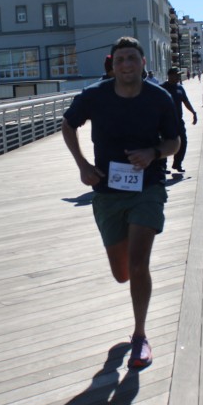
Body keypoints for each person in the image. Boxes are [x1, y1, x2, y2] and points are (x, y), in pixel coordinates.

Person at [62, 37, 181, 369]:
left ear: (143, 63)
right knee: (122, 273)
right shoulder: (94, 96)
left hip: (148, 188)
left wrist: (153, 153)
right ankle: (131, 280)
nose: (126, 65)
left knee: (139, 263)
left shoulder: (159, 97)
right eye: (120, 60)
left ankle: (140, 336)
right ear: (112, 66)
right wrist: (83, 166)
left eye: (132, 58)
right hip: (107, 192)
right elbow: (68, 125)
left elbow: (174, 141)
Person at [162, 67, 198, 172]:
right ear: (170, 76)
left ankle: (177, 164)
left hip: (178, 121)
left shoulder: (180, 88)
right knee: (164, 144)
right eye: (176, 75)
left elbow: (186, 102)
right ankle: (163, 167)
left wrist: (193, 112)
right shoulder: (162, 88)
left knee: (183, 142)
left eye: (179, 75)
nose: (178, 77)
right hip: (165, 122)